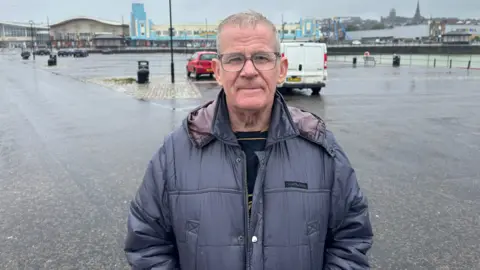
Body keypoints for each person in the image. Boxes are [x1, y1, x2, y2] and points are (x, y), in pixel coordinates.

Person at [124, 10, 373, 270]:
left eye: (262, 57)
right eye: (235, 59)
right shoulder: (174, 154)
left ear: (281, 69)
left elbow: (351, 239)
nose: (249, 71)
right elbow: (147, 243)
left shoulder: (321, 150)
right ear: (217, 71)